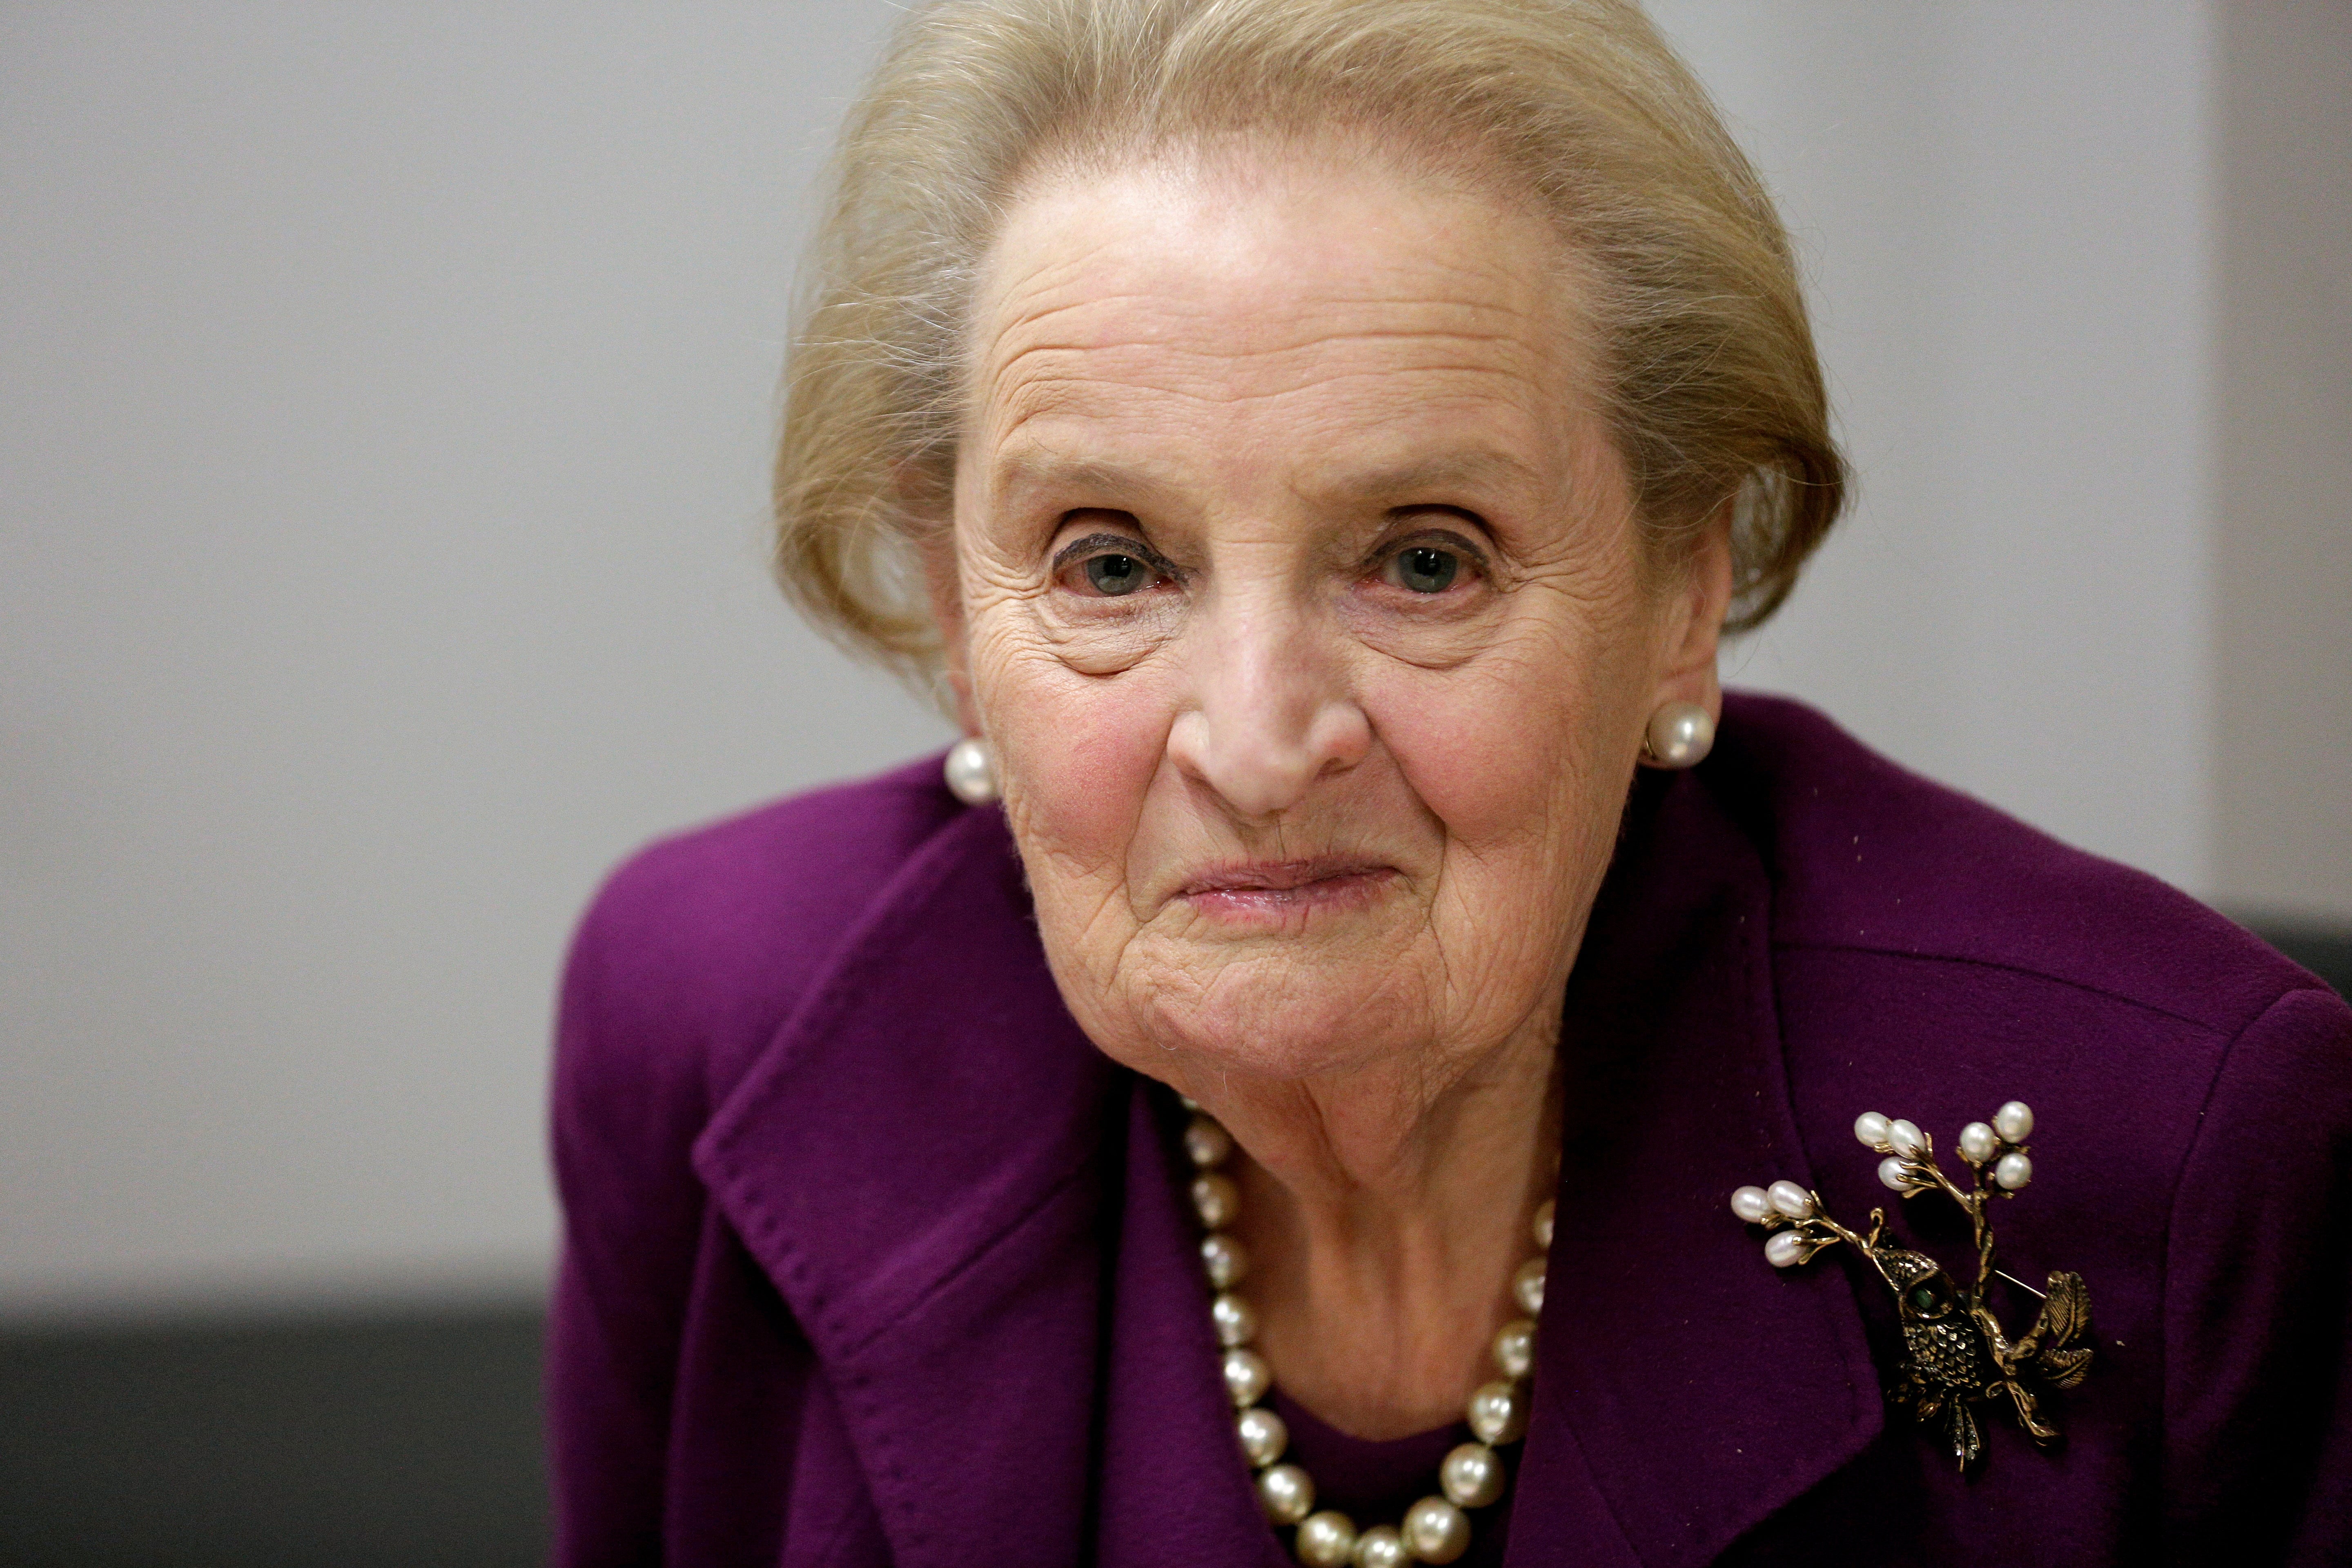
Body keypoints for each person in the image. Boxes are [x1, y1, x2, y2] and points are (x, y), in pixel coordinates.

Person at [546, 1, 2352, 1563]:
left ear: (1683, 592)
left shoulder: (2179, 1153)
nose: (1257, 745)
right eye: (1111, 564)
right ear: (955, 607)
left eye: (1425, 559)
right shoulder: (707, 1011)